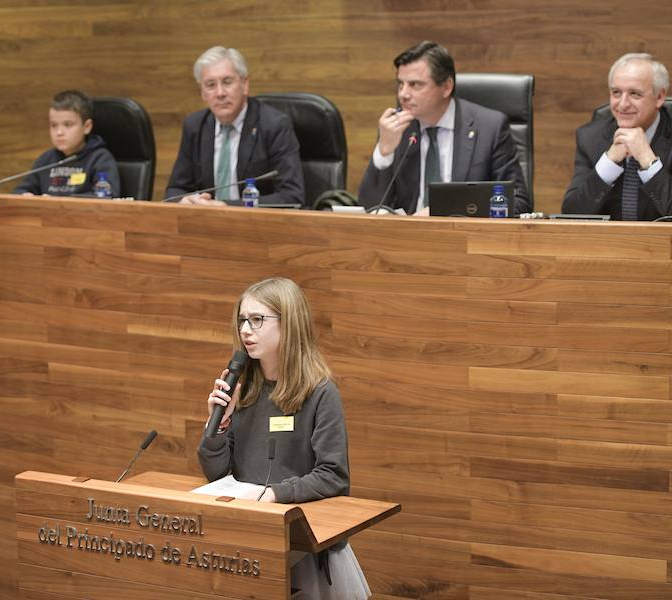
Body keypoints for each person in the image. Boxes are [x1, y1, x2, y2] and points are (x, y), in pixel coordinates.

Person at [198, 277, 369, 600]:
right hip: (249, 539)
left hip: (302, 544)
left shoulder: (320, 393)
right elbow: (218, 476)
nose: (245, 330)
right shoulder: (243, 389)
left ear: (289, 324)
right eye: (242, 320)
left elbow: (333, 477)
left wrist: (274, 495)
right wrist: (218, 424)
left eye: (257, 320)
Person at [358, 40, 529, 215]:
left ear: (446, 87)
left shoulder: (490, 127)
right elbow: (369, 208)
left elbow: (519, 202)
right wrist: (384, 151)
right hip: (408, 237)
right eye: (400, 84)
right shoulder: (396, 130)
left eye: (415, 84)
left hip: (465, 237)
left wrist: (446, 211)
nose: (403, 94)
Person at [562, 53, 672, 221]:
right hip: (607, 244)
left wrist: (647, 159)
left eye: (635, 94)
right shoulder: (589, 137)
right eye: (616, 92)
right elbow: (570, 214)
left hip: (662, 243)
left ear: (659, 97)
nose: (623, 104)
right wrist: (608, 163)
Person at [164, 47, 305, 206]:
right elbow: (175, 190)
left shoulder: (274, 125)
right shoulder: (195, 126)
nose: (220, 93)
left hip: (258, 226)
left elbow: (292, 196)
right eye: (210, 85)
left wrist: (226, 207)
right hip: (205, 224)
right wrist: (184, 200)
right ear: (202, 93)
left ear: (245, 84)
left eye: (227, 82)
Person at [13, 90, 121, 197]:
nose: (59, 132)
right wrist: (25, 195)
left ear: (87, 127)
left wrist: (59, 203)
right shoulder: (45, 160)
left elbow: (105, 196)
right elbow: (21, 190)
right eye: (54, 125)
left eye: (68, 125)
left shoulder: (100, 159)